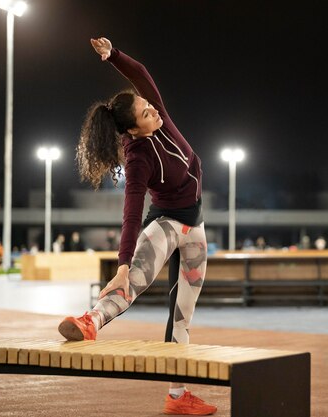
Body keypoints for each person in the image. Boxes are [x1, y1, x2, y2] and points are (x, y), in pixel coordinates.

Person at [58, 38, 215, 415]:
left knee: (182, 315)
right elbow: (131, 212)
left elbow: (141, 74)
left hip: (196, 228)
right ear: (133, 130)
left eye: (149, 106)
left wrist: (113, 56)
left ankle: (178, 398)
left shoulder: (157, 113)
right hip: (164, 224)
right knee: (131, 285)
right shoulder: (138, 159)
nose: (154, 113)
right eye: (146, 114)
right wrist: (123, 264)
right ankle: (90, 320)